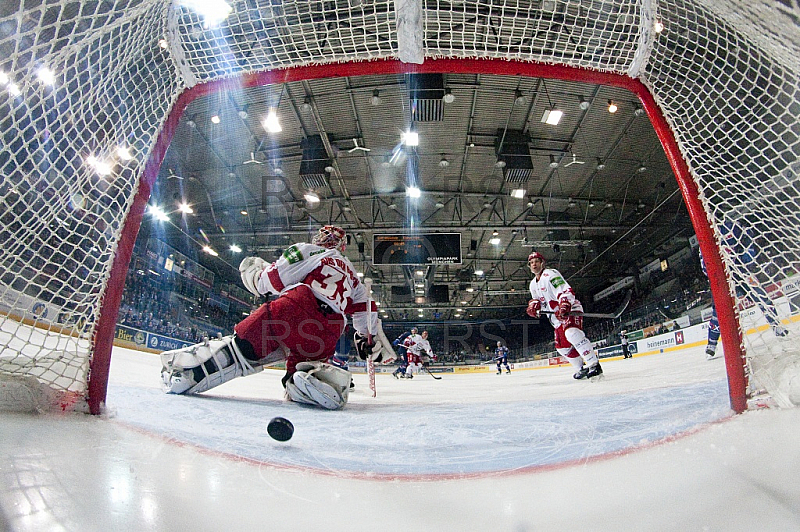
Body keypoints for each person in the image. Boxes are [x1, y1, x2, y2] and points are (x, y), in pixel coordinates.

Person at [159, 225, 395, 410]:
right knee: (301, 370)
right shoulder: (353, 275)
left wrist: (254, 273)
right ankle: (313, 379)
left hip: (295, 307)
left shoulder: (308, 250)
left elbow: (269, 282)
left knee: (241, 350)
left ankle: (187, 375)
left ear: (320, 239)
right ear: (342, 246)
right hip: (329, 330)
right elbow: (367, 311)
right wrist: (367, 338)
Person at [526, 251, 603, 380]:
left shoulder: (551, 274)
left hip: (569, 310)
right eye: (531, 263)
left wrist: (565, 304)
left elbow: (564, 290)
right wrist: (534, 307)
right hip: (556, 319)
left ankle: (594, 364)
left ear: (542, 263)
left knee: (572, 333)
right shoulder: (533, 284)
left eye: (536, 261)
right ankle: (581, 368)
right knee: (562, 347)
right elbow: (538, 301)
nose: (534, 265)